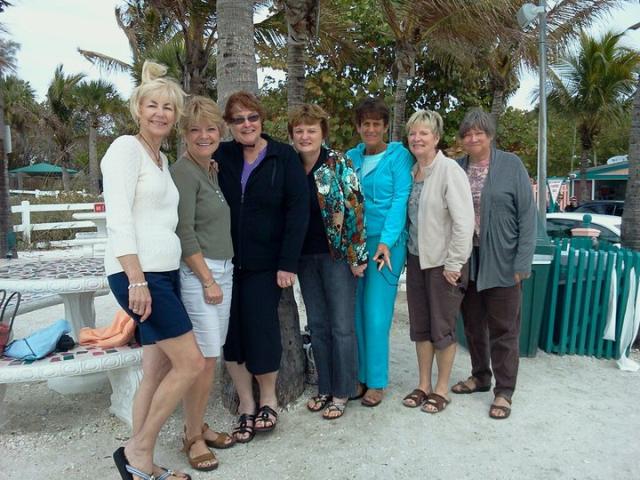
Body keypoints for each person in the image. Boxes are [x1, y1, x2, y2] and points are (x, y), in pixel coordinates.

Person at [103, 60, 203, 480]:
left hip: (164, 275)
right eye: (153, 106)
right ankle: (138, 452)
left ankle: (138, 463)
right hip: (140, 276)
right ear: (138, 109)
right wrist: (137, 279)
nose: (161, 113)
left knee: (157, 370)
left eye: (168, 107)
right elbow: (118, 219)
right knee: (191, 363)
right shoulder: (125, 149)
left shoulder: (160, 159)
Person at [215, 91, 309, 442]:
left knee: (261, 329)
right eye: (238, 119)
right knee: (231, 335)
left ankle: (268, 400)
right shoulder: (221, 156)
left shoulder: (283, 156)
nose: (247, 125)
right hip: (225, 263)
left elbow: (297, 211)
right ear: (229, 125)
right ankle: (246, 404)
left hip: (266, 264)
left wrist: (287, 263)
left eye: (252, 117)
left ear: (262, 120)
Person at [451, 108, 536, 420]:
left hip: (503, 261)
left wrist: (522, 262)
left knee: (504, 328)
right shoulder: (457, 168)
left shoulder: (511, 165)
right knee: (473, 324)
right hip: (468, 260)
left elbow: (528, 216)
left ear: (490, 135)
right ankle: (480, 376)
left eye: (479, 133)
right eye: (468, 134)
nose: (473, 138)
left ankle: (504, 390)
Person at [288, 104, 368, 420]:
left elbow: (356, 209)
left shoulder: (338, 163)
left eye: (311, 130)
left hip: (338, 257)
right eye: (299, 131)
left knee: (342, 326)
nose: (305, 136)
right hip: (304, 258)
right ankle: (324, 386)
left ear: (322, 132)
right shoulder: (290, 165)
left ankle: (343, 390)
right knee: (318, 324)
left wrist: (357, 257)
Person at [170, 96, 235, 471]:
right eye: (195, 130)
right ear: (184, 134)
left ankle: (198, 425)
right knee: (205, 360)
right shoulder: (183, 172)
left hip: (221, 269)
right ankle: (192, 436)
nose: (204, 135)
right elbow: (184, 232)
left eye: (211, 129)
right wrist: (208, 280)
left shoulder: (208, 169)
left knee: (212, 357)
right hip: (201, 273)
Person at [402, 110, 474, 413]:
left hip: (444, 264)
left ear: (436, 138)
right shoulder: (412, 172)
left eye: (424, 133)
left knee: (442, 328)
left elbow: (464, 222)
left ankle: (442, 388)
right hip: (417, 259)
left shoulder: (449, 171)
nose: (417, 138)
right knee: (420, 326)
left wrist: (454, 264)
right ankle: (424, 384)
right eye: (413, 133)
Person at [346, 97, 413, 407]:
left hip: (387, 245)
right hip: (356, 243)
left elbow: (400, 200)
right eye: (365, 124)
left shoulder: (399, 156)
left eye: (376, 124)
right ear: (359, 127)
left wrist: (386, 241)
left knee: (376, 312)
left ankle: (376, 381)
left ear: (385, 126)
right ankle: (359, 376)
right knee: (356, 311)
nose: (371, 129)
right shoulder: (350, 157)